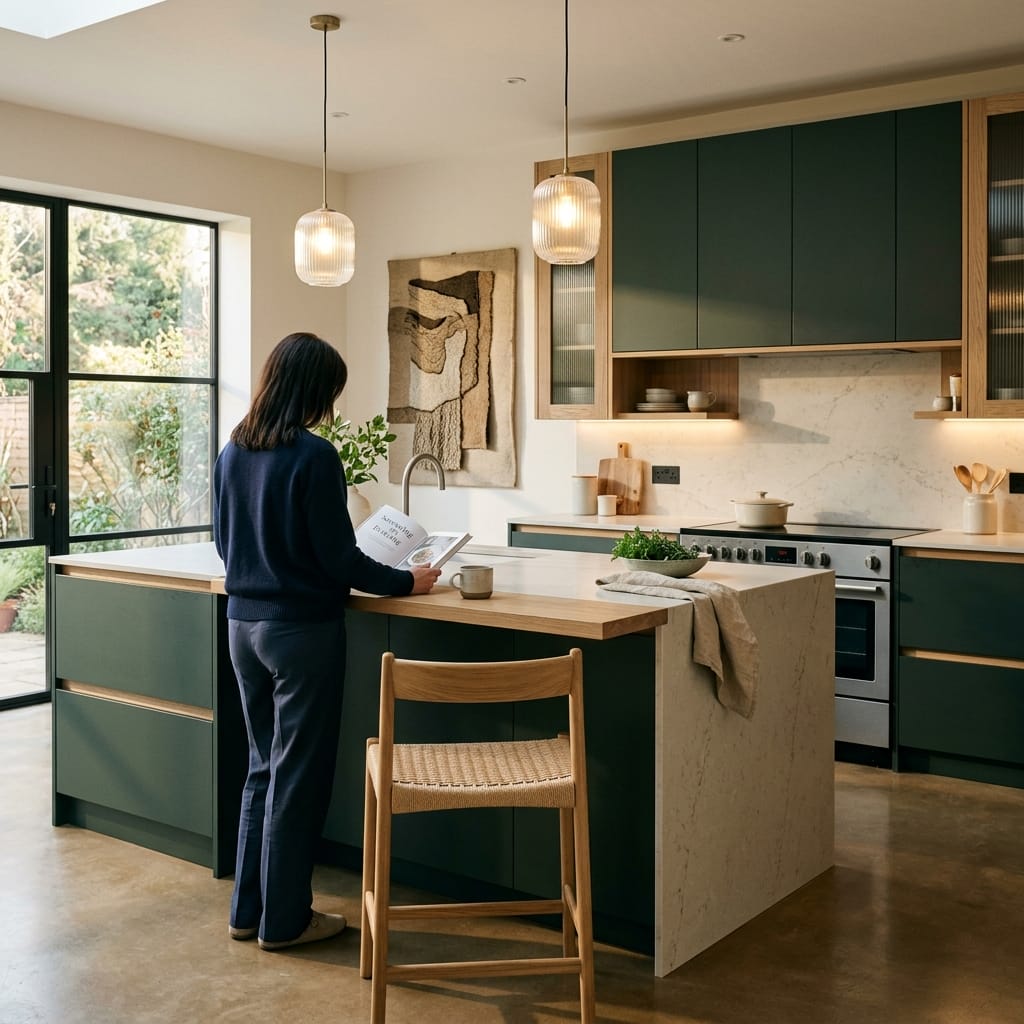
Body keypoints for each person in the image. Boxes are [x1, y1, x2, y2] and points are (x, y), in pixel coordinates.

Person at [213, 331, 440, 951]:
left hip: (243, 627)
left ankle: (247, 911)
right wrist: (407, 582)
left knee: (262, 769)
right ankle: (285, 922)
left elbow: (224, 542)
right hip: (301, 635)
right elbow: (342, 560)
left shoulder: (234, 450)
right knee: (298, 778)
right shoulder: (312, 457)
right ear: (314, 390)